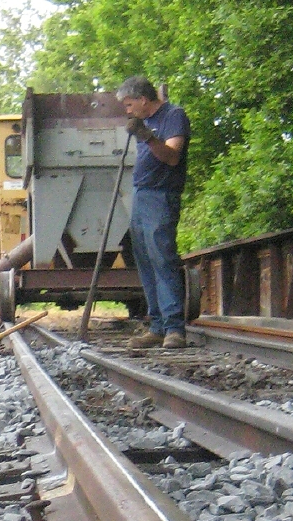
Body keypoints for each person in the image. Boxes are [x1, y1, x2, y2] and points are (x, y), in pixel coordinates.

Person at [117, 76, 191, 349]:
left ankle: (174, 329)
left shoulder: (173, 116)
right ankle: (157, 326)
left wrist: (146, 136)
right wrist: (143, 132)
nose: (127, 110)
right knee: (145, 260)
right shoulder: (145, 122)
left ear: (143, 100)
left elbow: (172, 156)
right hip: (142, 193)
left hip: (161, 194)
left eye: (129, 104)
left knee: (162, 257)